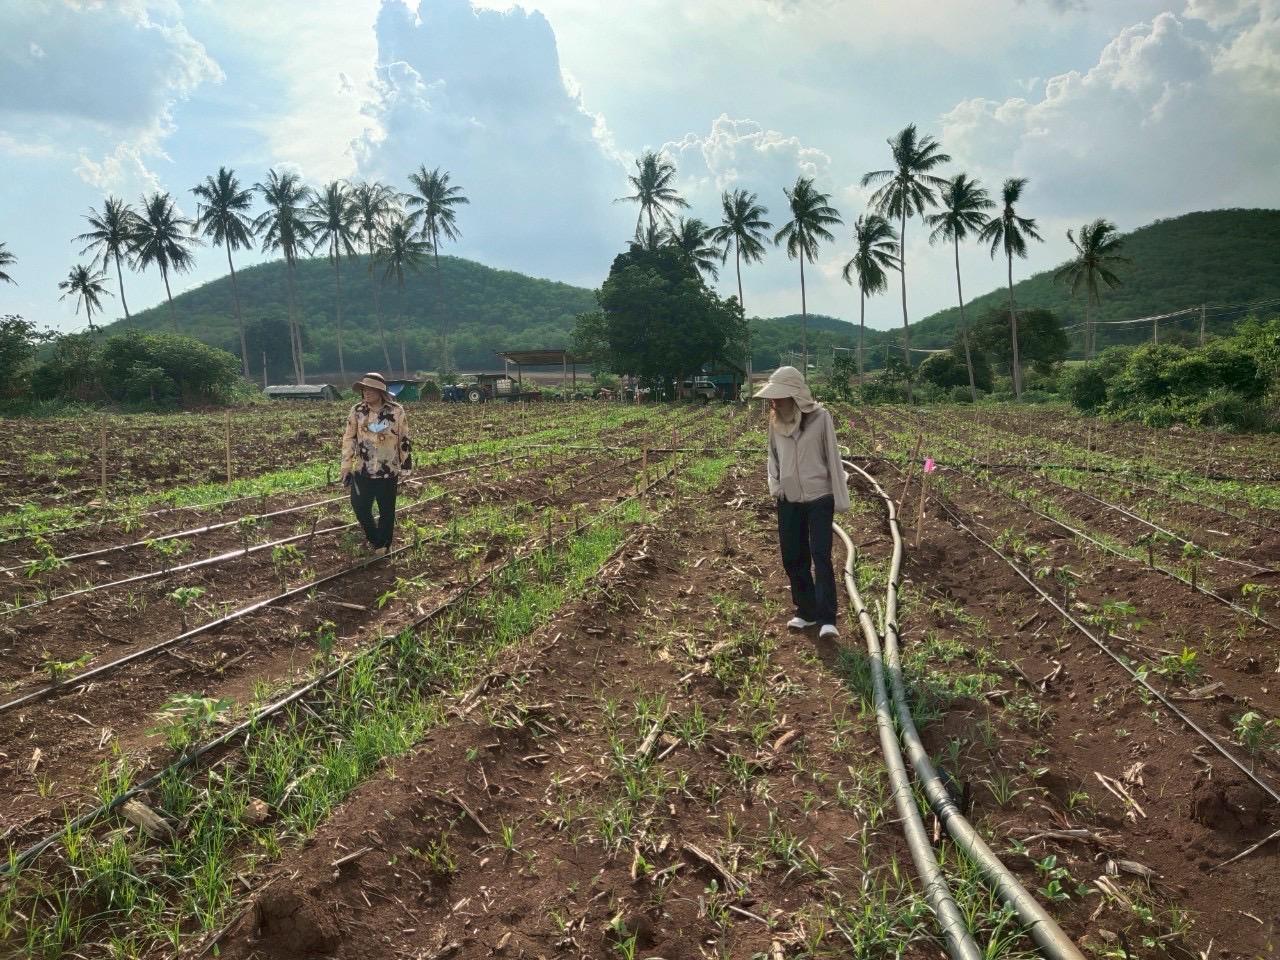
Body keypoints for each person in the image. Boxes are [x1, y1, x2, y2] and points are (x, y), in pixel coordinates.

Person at [754, 366, 850, 640]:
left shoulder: (820, 418)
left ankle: (827, 617)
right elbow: (772, 457)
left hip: (819, 497)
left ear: (795, 396)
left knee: (820, 555)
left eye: (779, 397)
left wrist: (839, 497)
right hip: (789, 498)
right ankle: (805, 611)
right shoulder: (775, 422)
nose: (774, 402)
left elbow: (832, 456)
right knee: (793, 556)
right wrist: (777, 486)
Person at [341, 372, 412, 555]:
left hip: (388, 469)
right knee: (360, 506)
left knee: (387, 510)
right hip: (363, 469)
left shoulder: (396, 411)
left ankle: (384, 545)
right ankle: (375, 539)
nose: (367, 393)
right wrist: (346, 465)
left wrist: (406, 464)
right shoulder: (357, 411)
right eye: (364, 389)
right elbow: (349, 438)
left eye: (371, 390)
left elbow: (404, 438)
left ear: (381, 391)